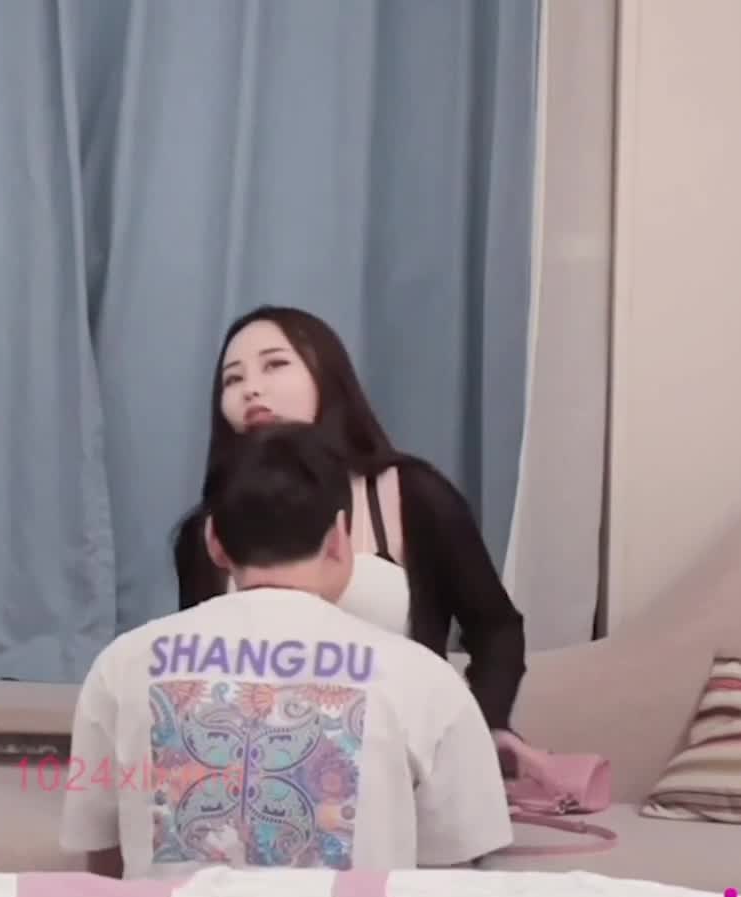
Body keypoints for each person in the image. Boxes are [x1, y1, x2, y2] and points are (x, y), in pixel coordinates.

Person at [60, 421, 513, 879]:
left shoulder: (121, 665)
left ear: (214, 541)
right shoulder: (426, 680)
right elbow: (453, 881)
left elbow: (102, 864)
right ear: (339, 539)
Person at [172, 304, 528, 737]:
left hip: (401, 753)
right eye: (233, 379)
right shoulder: (203, 529)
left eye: (275, 365)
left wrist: (479, 729)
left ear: (327, 374)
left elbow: (496, 630)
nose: (251, 389)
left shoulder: (411, 494)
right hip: (258, 759)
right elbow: (196, 672)